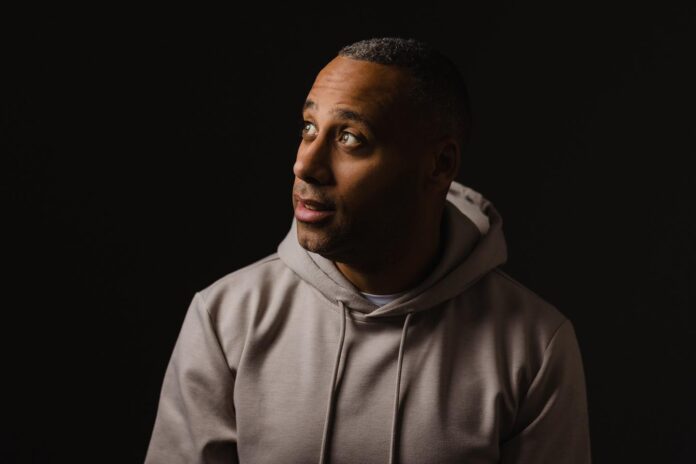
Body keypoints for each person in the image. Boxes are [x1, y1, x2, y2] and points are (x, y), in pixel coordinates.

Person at [144, 37, 592, 464]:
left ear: (440, 165)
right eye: (309, 128)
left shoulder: (534, 346)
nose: (305, 164)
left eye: (350, 137)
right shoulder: (225, 317)